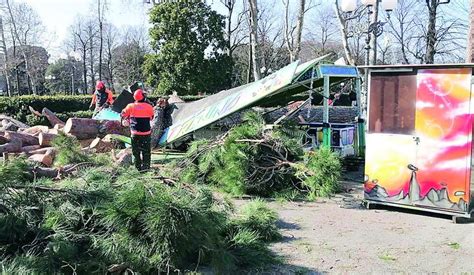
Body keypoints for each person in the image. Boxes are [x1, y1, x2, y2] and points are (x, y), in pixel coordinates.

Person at [121, 89, 154, 171]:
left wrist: (128, 118)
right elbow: (151, 118)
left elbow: (122, 114)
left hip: (135, 134)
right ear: (143, 97)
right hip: (146, 133)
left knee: (136, 152)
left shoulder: (130, 106)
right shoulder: (149, 107)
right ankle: (146, 168)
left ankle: (138, 168)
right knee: (146, 152)